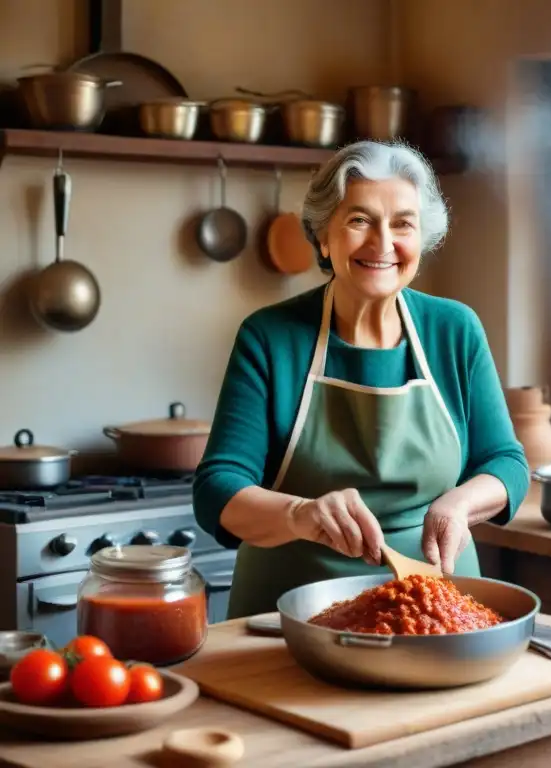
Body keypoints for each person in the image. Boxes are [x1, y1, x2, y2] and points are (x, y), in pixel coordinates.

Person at [192, 140, 529, 619]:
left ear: (422, 239)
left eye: (402, 224)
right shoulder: (270, 337)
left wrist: (458, 505)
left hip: (437, 607)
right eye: (359, 220)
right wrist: (300, 514)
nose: (383, 243)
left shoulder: (454, 330)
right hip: (292, 615)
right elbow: (217, 487)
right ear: (324, 237)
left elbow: (507, 462)